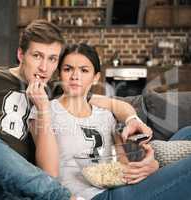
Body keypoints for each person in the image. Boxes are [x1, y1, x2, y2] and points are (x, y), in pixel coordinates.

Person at [0, 20, 151, 200]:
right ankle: (60, 197)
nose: (44, 67)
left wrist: (132, 118)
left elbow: (115, 104)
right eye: (37, 56)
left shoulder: (57, 92)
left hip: (20, 192)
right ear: (21, 55)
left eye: (52, 59)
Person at [28, 43, 191, 200]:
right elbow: (49, 174)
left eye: (84, 70)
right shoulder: (45, 110)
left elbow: (123, 166)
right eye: (68, 69)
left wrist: (148, 167)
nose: (75, 76)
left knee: (188, 132)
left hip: (120, 189)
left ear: (95, 78)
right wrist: (43, 110)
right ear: (59, 74)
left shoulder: (104, 113)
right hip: (89, 196)